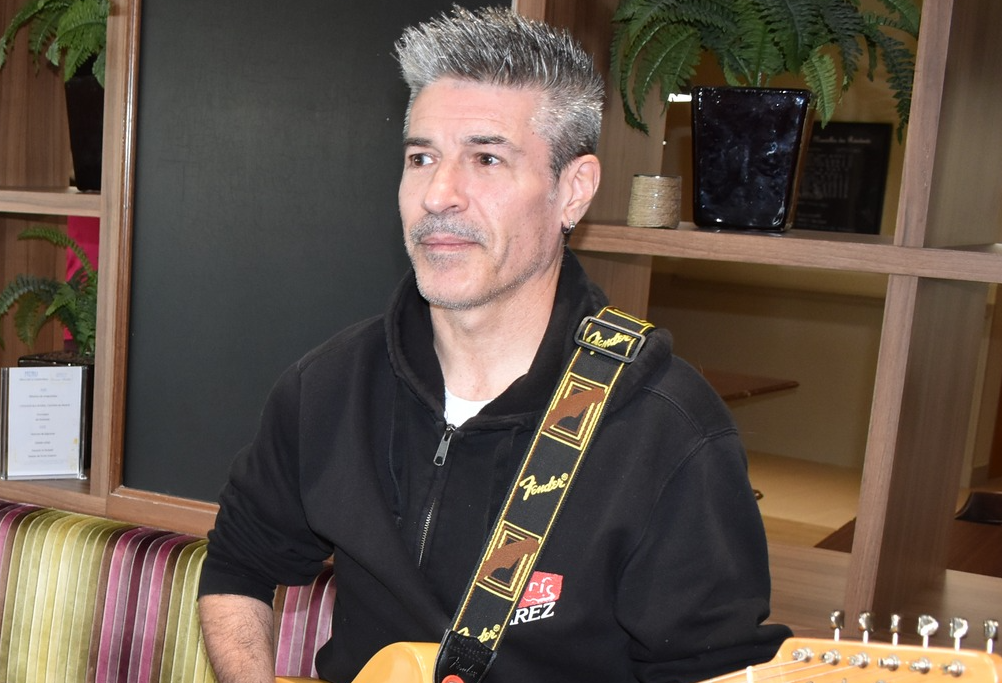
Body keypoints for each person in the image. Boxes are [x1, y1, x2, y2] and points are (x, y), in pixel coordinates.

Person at [195, 8, 790, 682]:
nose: (439, 194)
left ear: (574, 190)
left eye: (485, 158)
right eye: (421, 157)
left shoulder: (668, 430)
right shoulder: (327, 387)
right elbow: (239, 565)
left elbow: (714, 665)